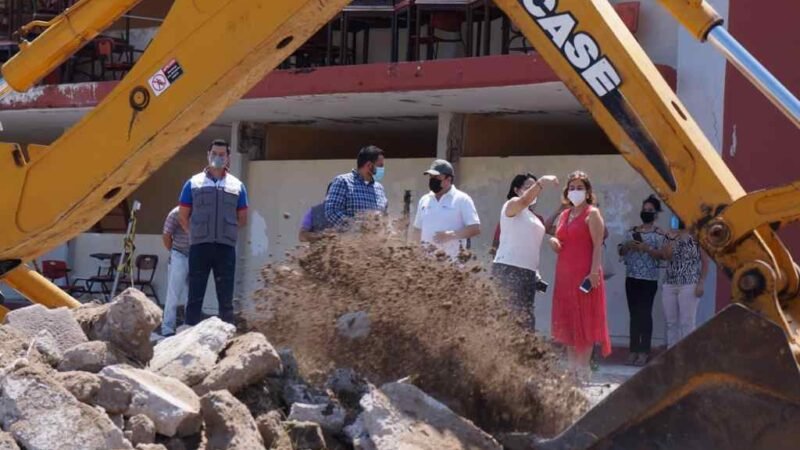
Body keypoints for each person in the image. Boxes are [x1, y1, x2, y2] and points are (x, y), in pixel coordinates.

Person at [179, 139, 248, 327]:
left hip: (225, 249)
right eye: (214, 154)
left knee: (226, 299)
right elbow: (183, 215)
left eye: (222, 154)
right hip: (200, 247)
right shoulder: (193, 183)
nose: (218, 158)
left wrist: (228, 231)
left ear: (228, 158)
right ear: (208, 155)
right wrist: (194, 234)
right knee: (195, 296)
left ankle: (227, 338)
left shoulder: (237, 185)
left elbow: (242, 218)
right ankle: (188, 334)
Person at [549, 170, 611, 379]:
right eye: (572, 188)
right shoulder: (565, 215)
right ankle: (572, 368)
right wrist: (555, 243)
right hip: (564, 275)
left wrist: (594, 272)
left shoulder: (592, 214)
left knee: (584, 322)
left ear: (588, 191)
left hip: (585, 274)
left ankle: (583, 369)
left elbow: (597, 246)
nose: (576, 191)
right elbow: (562, 241)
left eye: (580, 187)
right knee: (568, 321)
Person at [492, 173, 558, 330]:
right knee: (508, 320)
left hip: (528, 274)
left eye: (534, 187)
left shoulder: (535, 218)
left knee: (525, 321)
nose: (533, 191)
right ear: (516, 190)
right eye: (528, 187)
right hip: (508, 269)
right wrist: (541, 182)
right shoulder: (512, 204)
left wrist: (535, 272)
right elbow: (524, 200)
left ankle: (522, 355)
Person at [618, 194, 667, 366]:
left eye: (650, 211)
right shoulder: (632, 231)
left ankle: (643, 352)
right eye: (644, 210)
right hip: (631, 278)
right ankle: (633, 350)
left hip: (649, 279)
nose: (646, 213)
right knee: (634, 315)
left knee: (645, 315)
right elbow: (621, 251)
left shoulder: (659, 234)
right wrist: (627, 246)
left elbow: (663, 255)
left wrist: (646, 248)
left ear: (656, 213)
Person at [410, 159, 480, 259]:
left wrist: (450, 235)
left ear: (449, 179)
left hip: (453, 263)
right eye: (431, 177)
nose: (432, 180)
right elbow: (417, 230)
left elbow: (475, 229)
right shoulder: (424, 200)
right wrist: (415, 252)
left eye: (437, 177)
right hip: (426, 264)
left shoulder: (462, 199)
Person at [661, 216, 709, 347]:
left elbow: (705, 263)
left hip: (689, 283)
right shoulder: (670, 235)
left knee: (687, 322)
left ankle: (687, 355)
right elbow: (666, 256)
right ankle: (671, 354)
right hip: (670, 283)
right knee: (671, 323)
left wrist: (701, 283)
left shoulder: (698, 237)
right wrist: (672, 238)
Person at [325, 145, 388, 227]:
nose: (382, 169)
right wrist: (356, 227)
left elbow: (384, 216)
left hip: (376, 239)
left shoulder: (379, 188)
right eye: (380, 166)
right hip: (349, 239)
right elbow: (331, 212)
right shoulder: (343, 182)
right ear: (369, 165)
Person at [161, 206, 190, 336]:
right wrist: (173, 252)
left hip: (196, 254)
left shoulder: (201, 211)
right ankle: (167, 328)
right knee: (173, 293)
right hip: (179, 253)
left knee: (192, 294)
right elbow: (166, 235)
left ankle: (189, 326)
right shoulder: (175, 213)